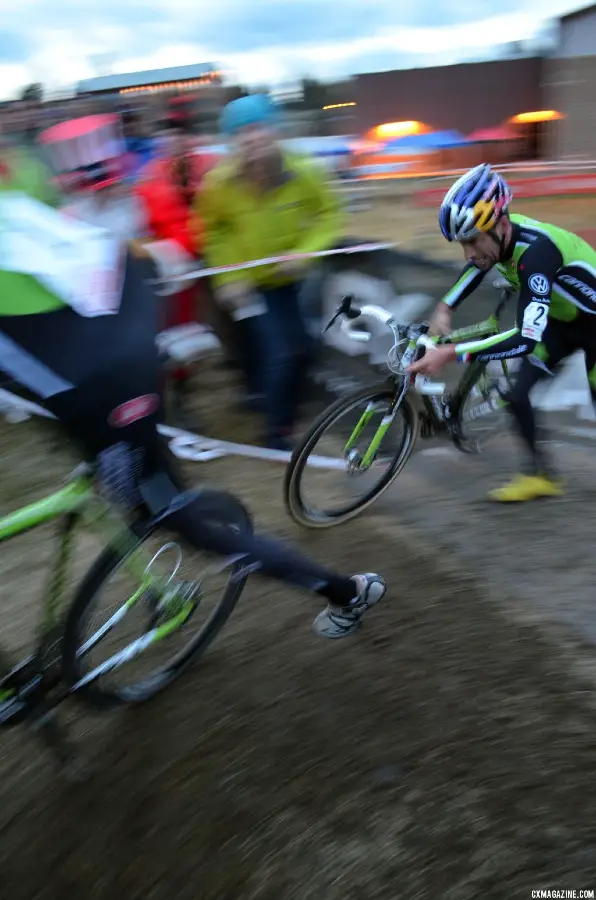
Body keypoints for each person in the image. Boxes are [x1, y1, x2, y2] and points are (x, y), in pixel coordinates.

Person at [0, 143, 386, 639]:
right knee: (110, 476)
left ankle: (346, 591)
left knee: (178, 521)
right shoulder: (19, 184)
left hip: (114, 389)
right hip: (103, 352)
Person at [407, 162, 596, 503]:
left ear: (502, 225)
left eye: (473, 241)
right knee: (516, 394)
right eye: (462, 244)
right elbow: (478, 266)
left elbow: (525, 339)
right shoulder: (500, 241)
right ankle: (542, 477)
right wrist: (444, 307)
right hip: (560, 323)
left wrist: (451, 352)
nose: (469, 253)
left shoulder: (537, 254)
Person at [197, 93, 343, 450]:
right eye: (240, 133)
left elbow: (330, 214)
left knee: (303, 347)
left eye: (257, 128)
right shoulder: (219, 184)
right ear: (231, 142)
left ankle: (282, 408)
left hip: (293, 278)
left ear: (274, 131)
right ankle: (274, 434)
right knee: (277, 352)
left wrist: (305, 251)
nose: (251, 139)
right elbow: (213, 230)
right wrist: (229, 276)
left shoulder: (304, 170)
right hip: (251, 285)